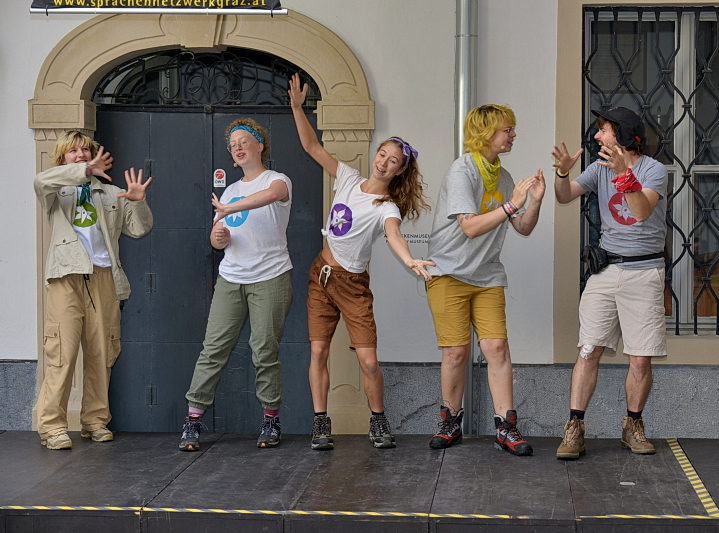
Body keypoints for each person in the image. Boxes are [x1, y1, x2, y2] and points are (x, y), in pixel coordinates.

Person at [273, 73, 432, 450]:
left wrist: (410, 260)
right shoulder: (347, 177)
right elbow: (312, 146)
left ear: (400, 171)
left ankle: (378, 420)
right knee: (318, 351)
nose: (384, 162)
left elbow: (394, 235)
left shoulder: (386, 206)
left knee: (369, 361)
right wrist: (297, 108)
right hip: (320, 276)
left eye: (393, 161)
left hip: (352, 285)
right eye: (382, 155)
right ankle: (320, 422)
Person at [426, 104, 545, 457]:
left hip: (487, 273)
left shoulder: (503, 177)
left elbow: (522, 227)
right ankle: (449, 423)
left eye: (512, 128)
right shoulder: (462, 170)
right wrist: (511, 206)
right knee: (456, 352)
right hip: (448, 272)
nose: (513, 134)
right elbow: (469, 226)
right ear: (486, 133)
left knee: (496, 348)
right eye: (507, 129)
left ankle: (506, 428)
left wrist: (534, 202)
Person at [552, 106, 667, 459]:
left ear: (623, 135)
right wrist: (562, 172)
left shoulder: (654, 170)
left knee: (640, 359)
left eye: (603, 129)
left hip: (644, 272)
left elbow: (641, 211)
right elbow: (564, 195)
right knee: (588, 350)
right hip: (605, 271)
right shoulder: (599, 168)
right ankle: (574, 427)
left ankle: (633, 425)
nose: (597, 135)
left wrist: (623, 175)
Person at [178, 118, 293, 452]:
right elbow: (217, 240)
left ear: (260, 145)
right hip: (231, 278)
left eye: (244, 141)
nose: (238, 147)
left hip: (270, 277)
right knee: (213, 348)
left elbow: (271, 196)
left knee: (264, 349)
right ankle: (193, 420)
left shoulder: (277, 179)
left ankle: (270, 420)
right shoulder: (228, 190)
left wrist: (229, 208)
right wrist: (219, 235)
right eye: (233, 145)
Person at [34, 130, 153, 450]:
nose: (81, 155)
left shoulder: (111, 193)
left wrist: (139, 202)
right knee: (62, 353)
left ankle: (95, 420)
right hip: (66, 276)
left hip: (104, 277)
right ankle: (52, 427)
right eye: (73, 151)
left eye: (86, 150)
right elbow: (40, 181)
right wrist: (82, 172)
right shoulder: (55, 190)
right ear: (62, 158)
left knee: (102, 353)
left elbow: (139, 228)